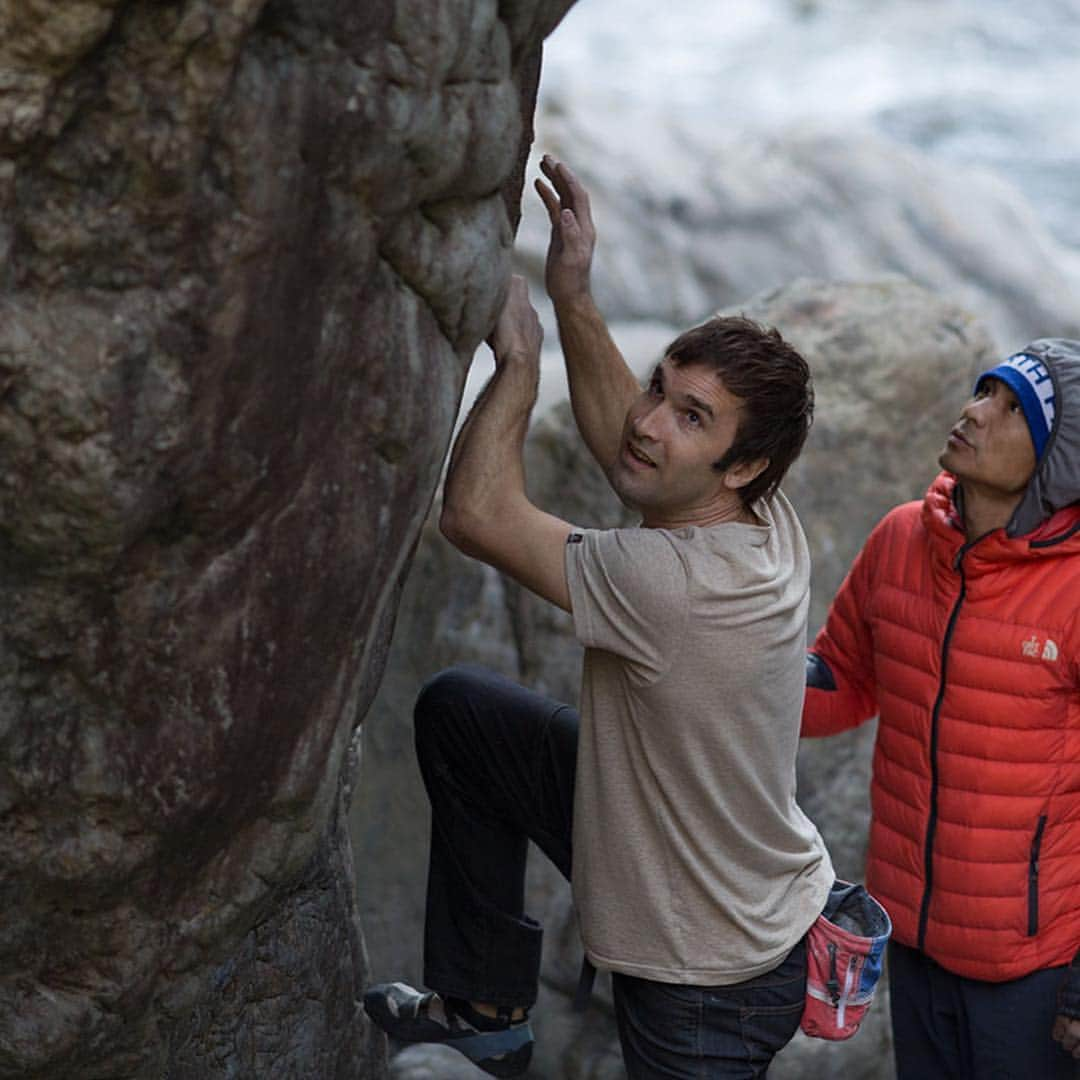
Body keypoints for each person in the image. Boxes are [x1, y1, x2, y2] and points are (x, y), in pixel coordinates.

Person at [363, 157, 834, 1079]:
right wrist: (574, 291)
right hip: (679, 843)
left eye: (690, 416)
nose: (653, 421)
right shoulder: (765, 516)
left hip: (711, 972)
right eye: (663, 388)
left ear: (740, 465)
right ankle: (486, 1016)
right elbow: (632, 439)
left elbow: (477, 517)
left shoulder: (675, 584)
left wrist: (521, 363)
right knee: (466, 717)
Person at [802, 339, 1080, 1078]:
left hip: (1033, 970)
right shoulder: (902, 537)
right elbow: (842, 679)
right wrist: (734, 675)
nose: (973, 411)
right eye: (983, 390)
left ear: (1059, 461)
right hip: (911, 940)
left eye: (1011, 408)